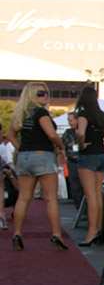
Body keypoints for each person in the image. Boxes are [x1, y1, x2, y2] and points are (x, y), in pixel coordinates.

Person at [5, 82, 69, 250]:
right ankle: (56, 235)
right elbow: (52, 135)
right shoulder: (41, 113)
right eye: (40, 93)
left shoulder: (21, 113)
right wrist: (61, 147)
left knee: (24, 198)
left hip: (25, 157)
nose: (45, 95)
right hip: (43, 155)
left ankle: (17, 233)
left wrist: (22, 148)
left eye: (46, 92)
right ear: (32, 95)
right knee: (50, 198)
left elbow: (10, 135)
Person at [74, 86, 104, 247]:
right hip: (102, 156)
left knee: (90, 196)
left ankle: (90, 233)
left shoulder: (83, 114)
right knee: (98, 196)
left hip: (88, 155)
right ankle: (98, 230)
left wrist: (81, 145)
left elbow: (80, 133)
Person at [61, 110, 84, 209]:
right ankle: (79, 209)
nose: (70, 123)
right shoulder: (68, 133)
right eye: (68, 121)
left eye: (71, 120)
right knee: (75, 187)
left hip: (84, 162)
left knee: (85, 188)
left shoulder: (84, 131)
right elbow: (62, 146)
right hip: (72, 162)